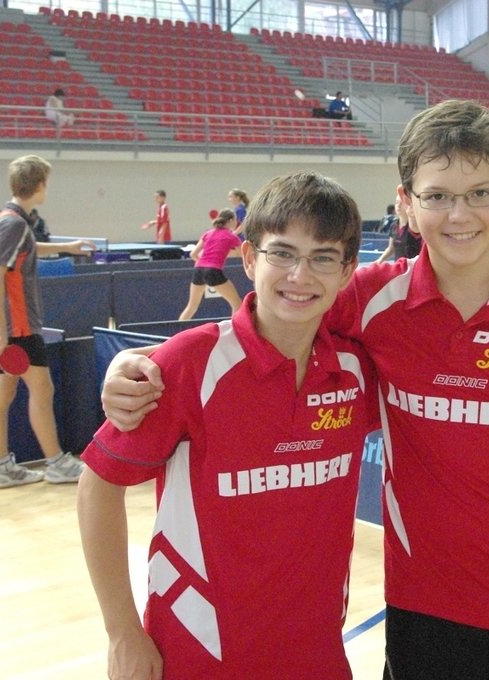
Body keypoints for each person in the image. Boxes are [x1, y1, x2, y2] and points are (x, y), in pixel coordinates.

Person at [101, 100, 489, 680]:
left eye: (480, 193)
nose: (460, 214)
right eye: (437, 195)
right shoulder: (369, 298)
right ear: (406, 202)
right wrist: (139, 361)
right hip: (422, 608)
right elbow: (271, 320)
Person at [78, 171, 379, 679]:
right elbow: (97, 487)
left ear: (348, 270)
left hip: (317, 652)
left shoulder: (355, 371)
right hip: (199, 652)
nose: (300, 275)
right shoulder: (190, 364)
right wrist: (122, 633)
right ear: (249, 258)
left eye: (323, 257)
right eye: (282, 253)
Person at [0, 155, 94, 489]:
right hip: (17, 325)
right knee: (41, 389)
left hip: (11, 323)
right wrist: (1, 326)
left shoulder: (12, 220)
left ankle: (1, 468)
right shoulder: (14, 224)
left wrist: (67, 247)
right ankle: (56, 462)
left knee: (3, 392)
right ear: (39, 184)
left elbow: (27, 249)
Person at [178, 208, 243, 320]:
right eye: (235, 220)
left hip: (198, 269)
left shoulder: (208, 233)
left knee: (191, 307)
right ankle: (235, 329)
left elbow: (193, 254)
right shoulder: (232, 237)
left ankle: (177, 330)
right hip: (213, 271)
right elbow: (243, 254)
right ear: (231, 220)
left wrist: (206, 263)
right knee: (237, 304)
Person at [373, 196, 422, 263]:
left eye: (401, 203)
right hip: (398, 266)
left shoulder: (414, 226)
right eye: (397, 202)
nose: (398, 205)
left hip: (413, 266)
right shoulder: (394, 226)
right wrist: (379, 260)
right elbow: (391, 248)